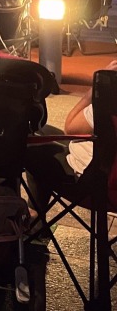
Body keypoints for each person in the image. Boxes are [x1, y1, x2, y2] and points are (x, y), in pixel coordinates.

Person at [25, 60, 117, 220]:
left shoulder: (111, 101)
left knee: (25, 142)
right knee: (41, 133)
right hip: (108, 177)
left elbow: (71, 126)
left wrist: (97, 87)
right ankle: (35, 220)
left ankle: (30, 220)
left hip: (94, 183)